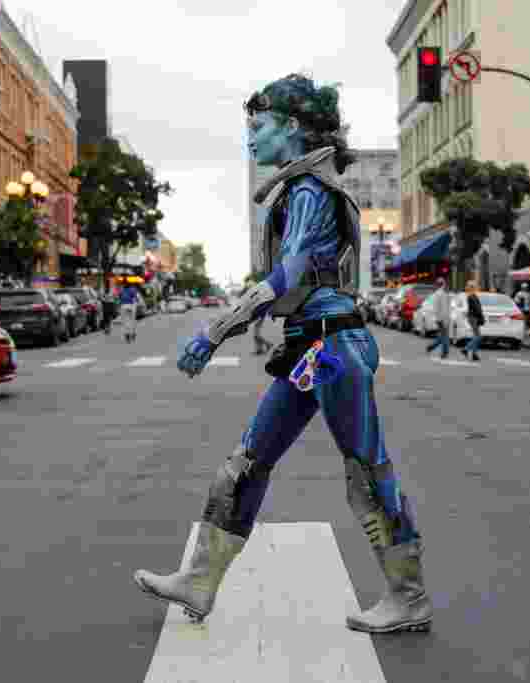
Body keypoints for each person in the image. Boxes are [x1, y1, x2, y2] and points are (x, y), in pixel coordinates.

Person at [133, 74, 431, 635]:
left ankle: (408, 598)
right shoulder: (304, 189)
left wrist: (214, 331)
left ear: (292, 128)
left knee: (367, 472)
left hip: (334, 345)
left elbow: (287, 274)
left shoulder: (309, 193)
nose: (250, 140)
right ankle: (200, 579)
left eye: (259, 127)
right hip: (311, 347)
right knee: (248, 462)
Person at [425, 278, 451, 359]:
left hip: (439, 317)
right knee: (445, 336)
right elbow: (444, 308)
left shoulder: (437, 293)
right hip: (443, 318)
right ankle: (445, 353)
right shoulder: (442, 294)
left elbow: (436, 307)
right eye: (444, 283)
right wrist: (445, 319)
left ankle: (431, 347)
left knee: (442, 336)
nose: (445, 285)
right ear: (443, 284)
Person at [461, 280, 484, 362]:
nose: (476, 287)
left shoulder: (471, 295)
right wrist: (481, 316)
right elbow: (477, 308)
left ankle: (474, 353)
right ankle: (466, 349)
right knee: (478, 336)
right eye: (475, 286)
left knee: (477, 336)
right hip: (473, 317)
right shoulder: (471, 296)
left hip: (473, 317)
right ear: (472, 287)